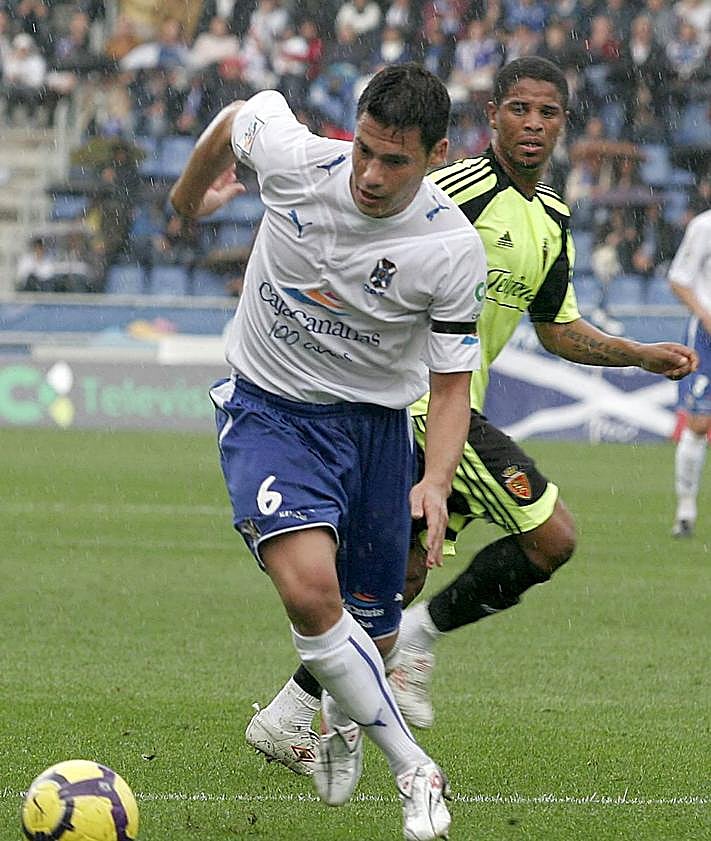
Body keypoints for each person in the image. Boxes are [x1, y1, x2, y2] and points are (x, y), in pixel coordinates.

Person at [249, 56, 698, 766]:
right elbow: (367, 223)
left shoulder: (550, 219)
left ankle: (292, 711)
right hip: (418, 404)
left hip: (459, 409)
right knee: (550, 536)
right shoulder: (448, 191)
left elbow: (556, 329)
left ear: (563, 125)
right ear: (490, 115)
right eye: (518, 109)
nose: (532, 125)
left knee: (394, 579)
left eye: (547, 113)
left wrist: (635, 354)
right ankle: (418, 644)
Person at [169, 63, 488, 841]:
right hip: (270, 412)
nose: (371, 176)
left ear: (437, 154)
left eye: (396, 162)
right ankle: (413, 766)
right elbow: (235, 114)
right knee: (313, 594)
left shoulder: (450, 248)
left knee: (371, 635)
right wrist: (187, 200)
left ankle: (323, 722)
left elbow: (450, 387)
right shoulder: (296, 159)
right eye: (365, 151)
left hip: (374, 433)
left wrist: (436, 481)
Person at [668, 208, 711, 537]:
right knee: (699, 422)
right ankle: (686, 510)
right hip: (706, 336)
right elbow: (679, 279)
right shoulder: (703, 226)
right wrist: (706, 316)